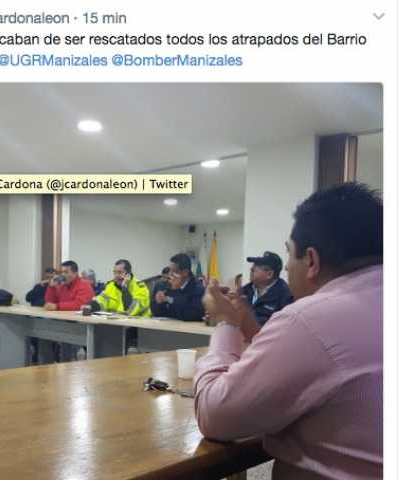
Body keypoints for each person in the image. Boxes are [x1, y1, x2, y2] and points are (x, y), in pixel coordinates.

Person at [194, 183, 382, 479]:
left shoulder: (313, 317)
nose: (286, 270)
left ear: (311, 261)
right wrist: (247, 324)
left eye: (289, 255)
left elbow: (214, 415)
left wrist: (224, 323)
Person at [240, 251, 294, 326]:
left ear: (269, 274)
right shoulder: (244, 290)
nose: (250, 271)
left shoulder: (286, 296)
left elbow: (285, 325)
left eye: (253, 270)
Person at [150, 253, 205, 321]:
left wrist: (178, 290)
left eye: (173, 271)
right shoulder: (163, 286)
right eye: (170, 270)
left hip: (187, 327)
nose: (170, 274)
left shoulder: (198, 290)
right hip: (166, 326)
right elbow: (156, 313)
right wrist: (158, 303)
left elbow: (191, 315)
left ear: (185, 272)